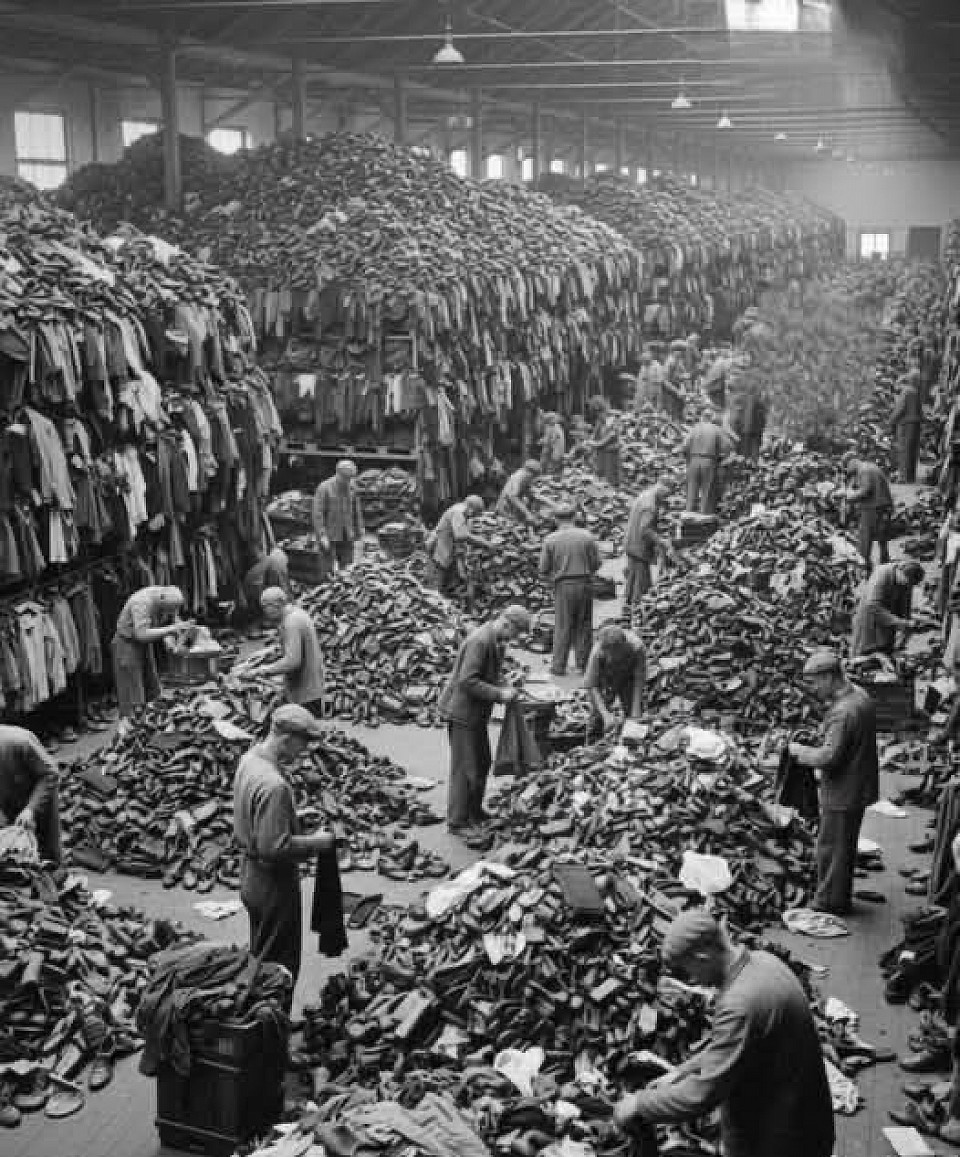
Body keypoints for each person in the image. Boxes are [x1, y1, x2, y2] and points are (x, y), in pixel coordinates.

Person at [613, 909, 834, 1157]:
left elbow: (702, 1095)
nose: (692, 981)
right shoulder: (763, 961)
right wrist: (683, 1072)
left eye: (688, 971)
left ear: (702, 956)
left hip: (781, 1139)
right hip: (803, 1118)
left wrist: (638, 1104)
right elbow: (737, 1045)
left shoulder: (740, 1004)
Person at [233, 705, 334, 986]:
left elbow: (254, 815)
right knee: (279, 968)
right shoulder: (275, 785)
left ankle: (262, 1020)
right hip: (273, 884)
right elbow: (274, 849)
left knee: (261, 955)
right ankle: (273, 1025)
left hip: (250, 876)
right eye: (303, 743)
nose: (305, 752)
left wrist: (292, 818)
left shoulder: (251, 759)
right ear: (287, 739)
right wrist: (318, 843)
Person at [789, 649, 879, 914]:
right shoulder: (860, 695)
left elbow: (829, 757)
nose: (813, 689)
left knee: (832, 848)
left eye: (815, 682)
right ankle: (837, 894)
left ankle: (830, 902)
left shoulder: (843, 712)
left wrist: (799, 752)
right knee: (844, 845)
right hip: (859, 783)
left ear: (829, 677)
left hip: (843, 789)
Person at [438, 605, 530, 836]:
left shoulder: (496, 641)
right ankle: (457, 821)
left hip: (476, 714)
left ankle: (474, 811)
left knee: (481, 762)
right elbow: (467, 681)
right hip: (463, 713)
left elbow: (491, 673)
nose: (515, 639)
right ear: (507, 624)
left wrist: (505, 683)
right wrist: (499, 694)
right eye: (516, 633)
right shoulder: (480, 641)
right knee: (465, 768)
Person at [539, 504, 601, 677]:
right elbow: (597, 563)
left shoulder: (550, 540)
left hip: (562, 586)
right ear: (575, 517)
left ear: (555, 519)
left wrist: (555, 576)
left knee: (562, 626)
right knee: (584, 625)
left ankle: (558, 666)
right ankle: (583, 665)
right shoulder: (587, 536)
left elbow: (543, 568)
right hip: (584, 584)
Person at [112, 585, 192, 719]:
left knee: (152, 690)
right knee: (133, 697)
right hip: (127, 644)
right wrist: (171, 629)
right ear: (161, 600)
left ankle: (151, 723)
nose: (172, 612)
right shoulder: (142, 602)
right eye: (169, 609)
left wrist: (174, 638)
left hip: (143, 645)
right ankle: (130, 730)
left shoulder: (166, 597)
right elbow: (142, 634)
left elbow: (171, 620)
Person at [0, 725, 61, 864]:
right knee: (11, 856)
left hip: (36, 793)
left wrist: (31, 809)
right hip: (7, 797)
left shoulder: (21, 741)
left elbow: (50, 773)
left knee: (47, 852)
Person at [258, 588, 325, 715]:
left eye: (265, 608)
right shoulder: (297, 613)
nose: (265, 613)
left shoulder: (291, 622)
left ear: (273, 606)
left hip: (305, 693)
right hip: (310, 688)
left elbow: (292, 661)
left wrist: (263, 670)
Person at [850, 560, 926, 658]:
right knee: (863, 658)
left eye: (910, 585)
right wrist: (900, 622)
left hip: (887, 624)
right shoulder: (882, 574)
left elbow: (905, 606)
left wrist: (907, 626)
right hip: (868, 622)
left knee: (885, 656)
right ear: (900, 572)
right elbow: (873, 606)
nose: (907, 587)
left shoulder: (906, 580)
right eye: (907, 583)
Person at [584, 626, 647, 739]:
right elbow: (592, 685)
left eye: (613, 654)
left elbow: (639, 679)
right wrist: (605, 714)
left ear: (623, 647)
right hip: (607, 676)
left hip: (629, 678)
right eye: (607, 654)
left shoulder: (637, 648)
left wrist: (635, 710)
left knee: (633, 714)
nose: (610, 657)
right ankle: (593, 742)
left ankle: (629, 743)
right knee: (597, 715)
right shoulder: (597, 652)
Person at [623, 482, 675, 610]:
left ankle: (628, 609)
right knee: (642, 584)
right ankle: (638, 611)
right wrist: (662, 541)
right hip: (639, 546)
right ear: (661, 491)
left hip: (631, 542)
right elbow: (645, 530)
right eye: (665, 496)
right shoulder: (650, 505)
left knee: (633, 580)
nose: (665, 500)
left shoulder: (645, 495)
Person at [426, 495, 488, 598]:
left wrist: (461, 566)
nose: (472, 517)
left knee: (445, 589)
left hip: (446, 555)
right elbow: (461, 535)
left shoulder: (462, 512)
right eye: (474, 514)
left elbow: (459, 543)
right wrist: (484, 543)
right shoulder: (458, 512)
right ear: (471, 509)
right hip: (438, 556)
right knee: (434, 593)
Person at [312, 459, 364, 569]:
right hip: (329, 533)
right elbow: (318, 514)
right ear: (338, 474)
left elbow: (356, 511)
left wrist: (359, 531)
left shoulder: (352, 487)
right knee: (326, 566)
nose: (348, 481)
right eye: (346, 478)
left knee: (347, 566)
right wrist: (322, 535)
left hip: (347, 533)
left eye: (350, 478)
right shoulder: (324, 488)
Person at [845, 457, 893, 571]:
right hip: (882, 505)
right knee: (882, 536)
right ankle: (884, 561)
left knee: (865, 537)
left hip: (872, 507)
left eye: (848, 468)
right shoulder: (870, 467)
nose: (849, 471)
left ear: (852, 463)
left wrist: (849, 496)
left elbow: (866, 490)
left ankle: (864, 565)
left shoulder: (864, 470)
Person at [682, 407, 727, 515]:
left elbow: (685, 446)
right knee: (707, 489)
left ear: (702, 417)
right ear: (712, 418)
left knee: (692, 488)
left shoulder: (695, 428)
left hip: (693, 460)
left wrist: (688, 458)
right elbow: (726, 447)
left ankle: (689, 513)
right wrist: (720, 456)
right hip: (709, 460)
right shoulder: (716, 429)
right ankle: (704, 515)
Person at [891, 371, 923, 484]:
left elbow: (900, 408)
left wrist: (892, 420)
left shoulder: (906, 391)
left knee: (904, 450)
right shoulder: (916, 391)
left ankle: (903, 477)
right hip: (916, 424)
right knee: (912, 451)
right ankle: (910, 477)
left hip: (905, 424)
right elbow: (920, 410)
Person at [587, 397, 621, 488]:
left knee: (610, 477)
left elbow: (610, 436)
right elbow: (595, 434)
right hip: (601, 453)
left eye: (599, 413)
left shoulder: (612, 419)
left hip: (610, 452)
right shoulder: (599, 421)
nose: (598, 415)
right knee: (600, 475)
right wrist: (590, 442)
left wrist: (595, 444)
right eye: (597, 413)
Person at [496, 459, 543, 523]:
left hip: (512, 508)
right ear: (528, 472)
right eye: (533, 476)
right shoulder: (519, 477)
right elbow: (513, 497)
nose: (533, 479)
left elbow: (529, 492)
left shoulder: (525, 476)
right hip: (505, 509)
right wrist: (527, 513)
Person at [243, 547, 289, 612]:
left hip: (252, 600)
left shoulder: (267, 562)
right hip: (259, 602)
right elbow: (276, 588)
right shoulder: (274, 566)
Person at [634, 349, 666, 413]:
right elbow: (640, 381)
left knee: (654, 412)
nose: (644, 361)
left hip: (654, 394)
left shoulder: (657, 366)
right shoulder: (643, 367)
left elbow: (660, 381)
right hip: (642, 394)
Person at [540, 412, 566, 477]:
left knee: (551, 468)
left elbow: (550, 440)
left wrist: (543, 441)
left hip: (556, 452)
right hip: (554, 451)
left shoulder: (555, 428)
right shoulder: (552, 427)